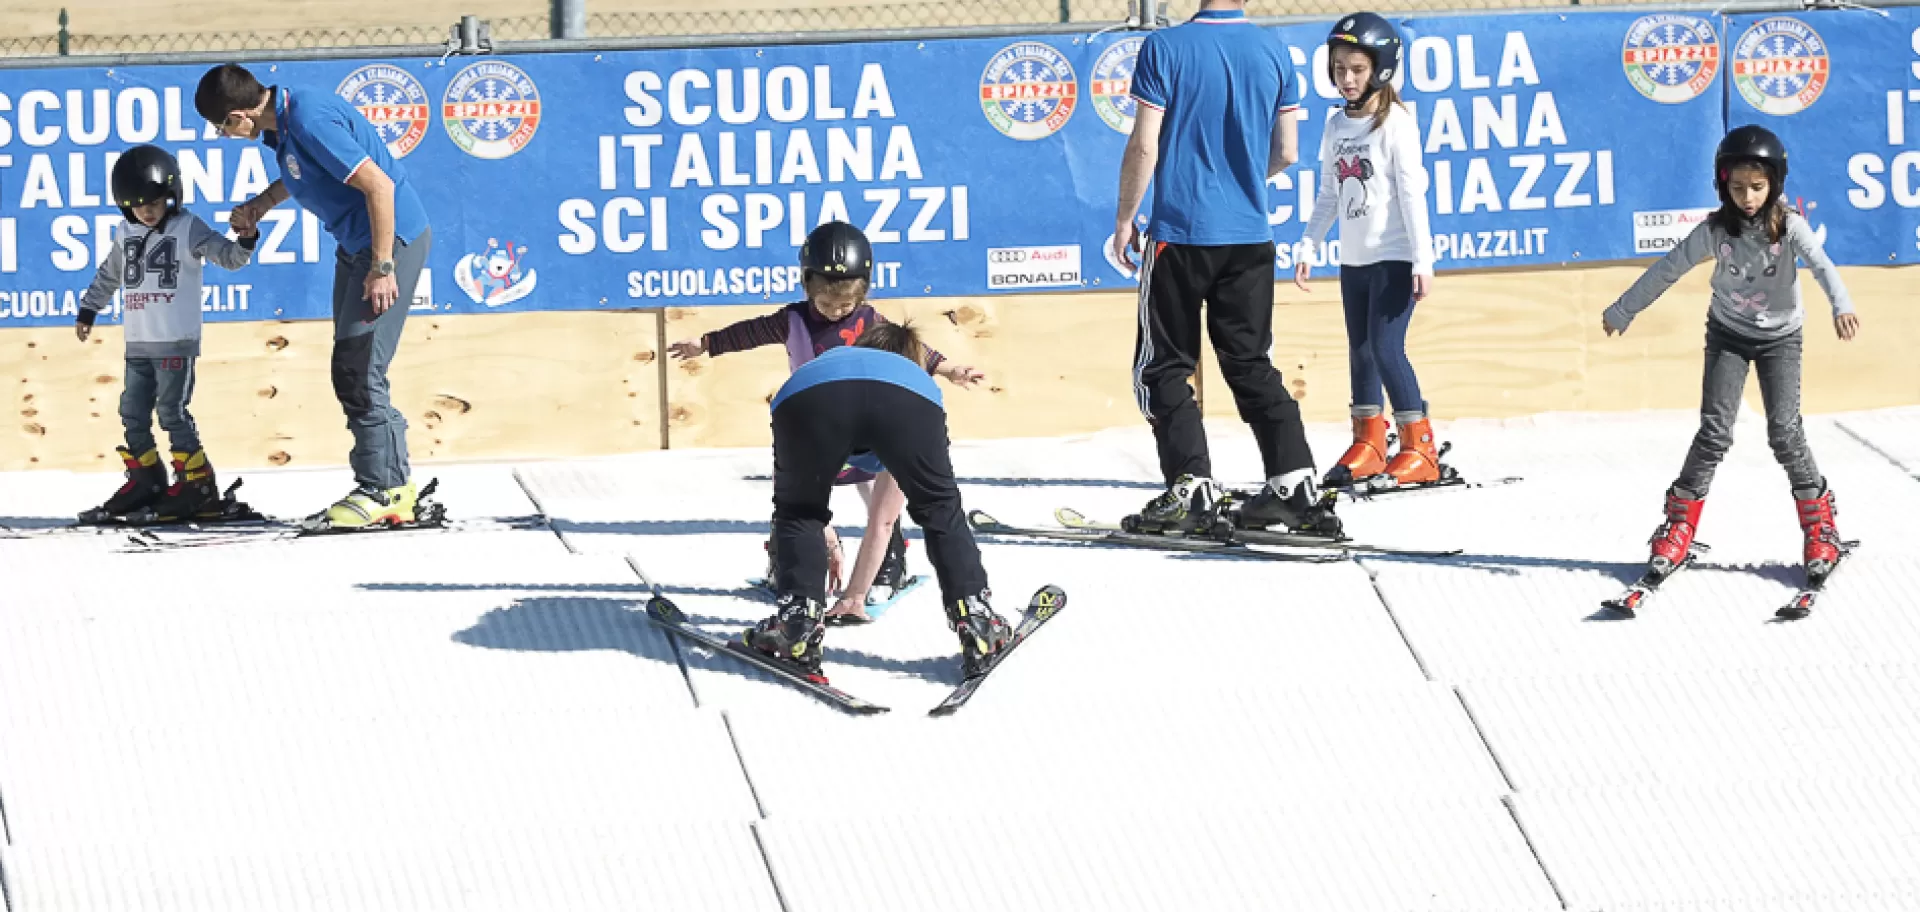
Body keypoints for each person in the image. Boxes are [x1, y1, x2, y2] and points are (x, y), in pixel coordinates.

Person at [669, 221, 983, 622]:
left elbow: (914, 350)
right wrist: (706, 343)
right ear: (807, 287)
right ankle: (798, 561)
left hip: (865, 429)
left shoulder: (871, 321)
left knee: (876, 498)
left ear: (862, 295)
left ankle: (889, 559)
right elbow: (749, 332)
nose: (835, 311)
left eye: (844, 306)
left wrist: (951, 369)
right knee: (793, 492)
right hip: (820, 424)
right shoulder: (793, 319)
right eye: (826, 303)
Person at [1112, 0, 1339, 536]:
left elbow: (1144, 146)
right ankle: (1294, 484)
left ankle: (1190, 487)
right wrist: (1240, 183)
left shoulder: (1165, 47)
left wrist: (1124, 218)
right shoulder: (1273, 49)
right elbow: (1287, 151)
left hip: (1181, 233)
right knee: (1251, 364)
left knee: (1164, 366)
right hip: (1250, 235)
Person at [1601, 125, 1860, 582]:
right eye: (1738, 187)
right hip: (1728, 336)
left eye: (1757, 187)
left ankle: (1821, 527)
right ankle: (1679, 525)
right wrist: (1625, 309)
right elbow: (1669, 268)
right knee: (1714, 433)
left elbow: (1822, 265)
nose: (1748, 197)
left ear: (1774, 183)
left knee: (1784, 432)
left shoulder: (1790, 226)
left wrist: (1842, 305)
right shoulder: (1716, 230)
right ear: (1723, 184)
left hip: (1781, 339)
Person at [196, 63, 433, 528]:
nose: (223, 135)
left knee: (359, 369)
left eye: (222, 126)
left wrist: (383, 266)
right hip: (359, 245)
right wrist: (261, 204)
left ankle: (385, 488)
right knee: (354, 366)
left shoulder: (308, 120)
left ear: (241, 116)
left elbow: (379, 185)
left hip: (387, 245)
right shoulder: (285, 122)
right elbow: (306, 172)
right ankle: (394, 483)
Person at [744, 323, 1011, 679]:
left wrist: (820, 532)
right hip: (906, 402)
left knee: (799, 512)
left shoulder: (833, 363)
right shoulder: (911, 379)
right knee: (940, 509)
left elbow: (794, 501)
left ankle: (797, 627)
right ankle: (977, 620)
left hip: (808, 395)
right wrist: (855, 594)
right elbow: (885, 520)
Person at [1296, 13, 1442, 489]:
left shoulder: (1396, 124)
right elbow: (1329, 192)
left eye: (1357, 69)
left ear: (1381, 69)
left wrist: (1422, 259)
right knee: (1360, 351)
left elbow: (1412, 194)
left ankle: (1420, 446)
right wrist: (1309, 243)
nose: (1347, 78)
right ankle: (1370, 442)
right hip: (1354, 259)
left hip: (1394, 255)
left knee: (1385, 347)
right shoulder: (1336, 124)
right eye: (1339, 68)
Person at [76, 145, 258, 523]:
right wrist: (89, 308)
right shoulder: (126, 232)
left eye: (155, 203)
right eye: (138, 205)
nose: (147, 212)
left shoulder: (188, 227)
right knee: (131, 411)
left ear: (172, 196)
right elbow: (109, 275)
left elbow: (231, 259)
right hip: (138, 342)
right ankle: (148, 480)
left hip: (174, 341)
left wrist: (246, 239)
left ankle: (198, 484)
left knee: (171, 412)